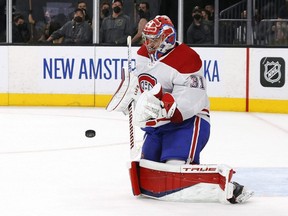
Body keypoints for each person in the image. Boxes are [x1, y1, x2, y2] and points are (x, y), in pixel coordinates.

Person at [107, 15, 253, 204]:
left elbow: (192, 99)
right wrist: (132, 93)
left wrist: (166, 106)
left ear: (167, 37)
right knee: (148, 166)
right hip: (158, 126)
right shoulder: (144, 54)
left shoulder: (187, 59)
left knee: (174, 167)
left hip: (187, 123)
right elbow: (143, 83)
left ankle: (231, 188)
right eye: (147, 38)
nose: (148, 43)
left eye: (154, 39)